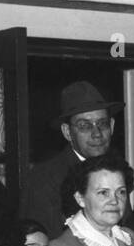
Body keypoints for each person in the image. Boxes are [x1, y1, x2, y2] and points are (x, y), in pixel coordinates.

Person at [21, 81, 124, 238]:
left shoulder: (117, 171)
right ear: (67, 132)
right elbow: (44, 245)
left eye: (102, 124)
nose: (97, 133)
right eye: (85, 126)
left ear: (112, 126)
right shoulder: (44, 179)